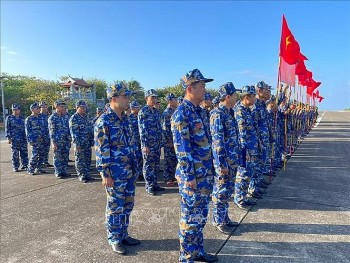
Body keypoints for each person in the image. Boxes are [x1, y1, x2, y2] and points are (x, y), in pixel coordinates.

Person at [171, 68, 218, 262]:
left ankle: (197, 251)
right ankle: (187, 256)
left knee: (200, 216)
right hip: (193, 177)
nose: (205, 89)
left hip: (204, 174)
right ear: (190, 88)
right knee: (190, 218)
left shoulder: (199, 111)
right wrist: (189, 176)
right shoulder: (181, 114)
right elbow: (182, 149)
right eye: (202, 86)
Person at [95, 82, 140, 255]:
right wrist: (105, 173)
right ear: (114, 99)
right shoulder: (104, 121)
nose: (128, 99)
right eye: (125, 96)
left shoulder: (126, 118)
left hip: (129, 170)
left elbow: (131, 142)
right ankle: (114, 238)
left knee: (127, 204)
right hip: (114, 172)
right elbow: (101, 149)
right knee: (115, 206)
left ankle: (123, 234)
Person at [210, 82, 241, 235]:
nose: (237, 97)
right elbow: (217, 141)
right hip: (224, 162)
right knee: (220, 191)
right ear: (228, 96)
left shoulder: (230, 113)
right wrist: (221, 163)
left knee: (227, 191)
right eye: (235, 95)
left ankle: (225, 217)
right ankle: (218, 220)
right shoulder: (217, 114)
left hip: (232, 160)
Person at [234, 85, 259, 210]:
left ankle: (244, 196)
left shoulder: (247, 110)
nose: (255, 98)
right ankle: (239, 198)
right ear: (247, 97)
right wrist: (244, 150)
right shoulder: (239, 110)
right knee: (243, 173)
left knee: (249, 173)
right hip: (245, 149)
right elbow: (241, 132)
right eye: (253, 96)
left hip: (251, 148)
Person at [138, 89, 164, 195]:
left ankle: (154, 184)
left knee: (156, 165)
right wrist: (145, 145)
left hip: (156, 143)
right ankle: (149, 186)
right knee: (148, 165)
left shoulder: (155, 111)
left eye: (155, 97)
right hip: (148, 144)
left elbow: (159, 127)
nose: (154, 99)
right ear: (146, 98)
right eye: (152, 97)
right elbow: (142, 130)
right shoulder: (143, 112)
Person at [69, 100, 94, 183]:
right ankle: (82, 175)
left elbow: (90, 129)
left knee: (87, 159)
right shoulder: (74, 118)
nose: (84, 109)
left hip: (87, 142)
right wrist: (77, 144)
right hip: (79, 143)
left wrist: (91, 140)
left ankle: (87, 174)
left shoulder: (86, 117)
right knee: (80, 160)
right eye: (82, 107)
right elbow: (74, 133)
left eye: (85, 107)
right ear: (77, 108)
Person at [48, 100, 71, 178]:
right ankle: (58, 172)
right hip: (58, 141)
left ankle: (64, 171)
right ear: (56, 107)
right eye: (61, 106)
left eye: (63, 106)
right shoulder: (52, 118)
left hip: (66, 140)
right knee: (58, 157)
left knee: (65, 156)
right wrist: (53, 143)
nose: (63, 107)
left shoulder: (66, 116)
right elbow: (51, 131)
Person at [5, 104, 28, 172]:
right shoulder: (9, 118)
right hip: (14, 139)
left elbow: (26, 128)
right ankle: (15, 166)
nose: (15, 111)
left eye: (16, 109)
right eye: (13, 109)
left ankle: (25, 165)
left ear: (19, 110)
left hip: (23, 138)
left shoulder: (23, 118)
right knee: (15, 154)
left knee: (24, 153)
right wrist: (8, 138)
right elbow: (7, 128)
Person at [161, 93, 178, 186]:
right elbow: (165, 129)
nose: (176, 101)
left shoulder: (174, 111)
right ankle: (168, 178)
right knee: (168, 161)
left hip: (174, 141)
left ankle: (172, 177)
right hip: (169, 141)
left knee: (174, 160)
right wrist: (169, 141)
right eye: (174, 99)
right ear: (170, 101)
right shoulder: (166, 113)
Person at [25, 102, 45, 175]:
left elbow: (45, 128)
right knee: (35, 155)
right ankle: (30, 169)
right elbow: (28, 131)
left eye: (39, 108)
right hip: (34, 140)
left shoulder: (42, 117)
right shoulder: (29, 119)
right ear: (32, 109)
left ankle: (39, 168)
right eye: (37, 108)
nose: (39, 109)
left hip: (42, 139)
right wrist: (30, 140)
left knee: (42, 154)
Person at [128, 101, 143, 181]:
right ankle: (135, 173)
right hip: (134, 141)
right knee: (135, 157)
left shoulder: (140, 116)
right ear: (132, 108)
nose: (138, 108)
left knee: (141, 157)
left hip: (141, 141)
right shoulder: (129, 118)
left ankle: (140, 173)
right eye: (137, 107)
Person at [39, 101, 52, 167]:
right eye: (42, 107)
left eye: (45, 107)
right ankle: (40, 163)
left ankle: (45, 162)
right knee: (40, 151)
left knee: (47, 149)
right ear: (40, 108)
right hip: (40, 137)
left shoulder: (49, 116)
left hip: (47, 136)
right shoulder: (38, 116)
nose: (44, 108)